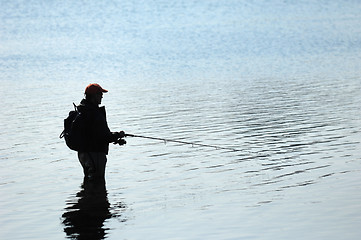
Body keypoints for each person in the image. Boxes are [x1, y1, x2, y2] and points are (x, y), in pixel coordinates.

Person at [76, 83, 126, 181]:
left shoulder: (82, 110)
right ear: (94, 96)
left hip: (83, 154)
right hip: (95, 154)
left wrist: (115, 138)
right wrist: (118, 135)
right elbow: (103, 136)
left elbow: (94, 135)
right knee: (97, 181)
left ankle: (89, 196)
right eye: (100, 94)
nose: (102, 96)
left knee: (89, 182)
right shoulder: (94, 113)